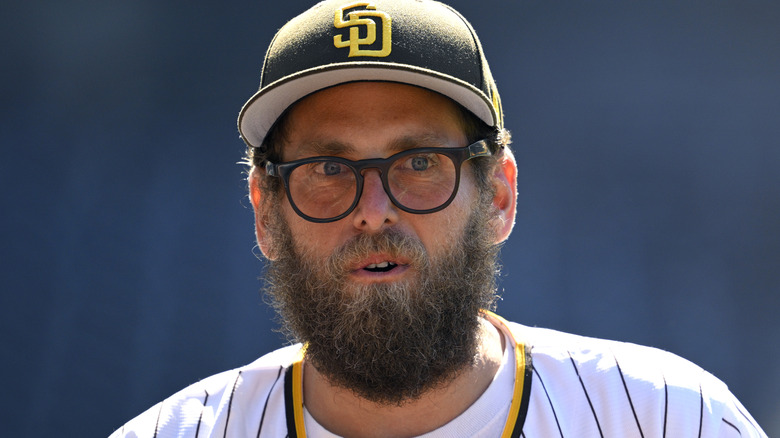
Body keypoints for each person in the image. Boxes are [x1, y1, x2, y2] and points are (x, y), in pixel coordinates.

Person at [111, 1, 767, 436]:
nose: (374, 212)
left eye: (420, 162)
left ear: (499, 197)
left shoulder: (672, 420)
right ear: (264, 213)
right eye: (328, 169)